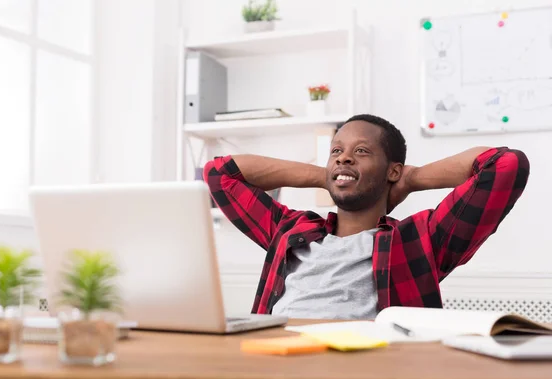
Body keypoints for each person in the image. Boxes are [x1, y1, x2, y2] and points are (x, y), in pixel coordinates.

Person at [203, 114, 529, 319]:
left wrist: (410, 180)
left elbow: (503, 165)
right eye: (336, 151)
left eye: (361, 151)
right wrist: (328, 175)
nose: (344, 157)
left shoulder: (419, 240)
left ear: (392, 170)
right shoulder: (291, 230)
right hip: (272, 365)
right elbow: (220, 173)